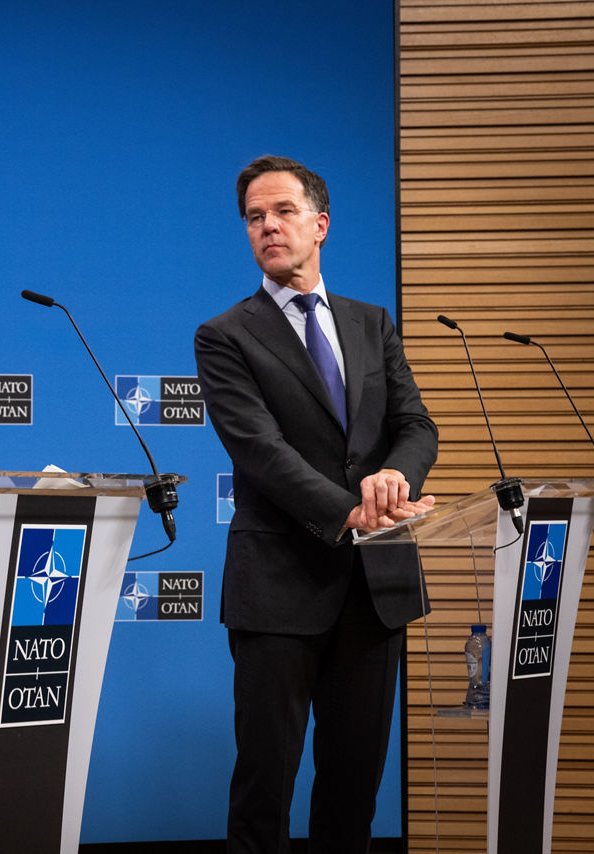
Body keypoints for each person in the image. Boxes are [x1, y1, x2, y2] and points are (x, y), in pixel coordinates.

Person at [194, 155, 439, 853]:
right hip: (279, 588)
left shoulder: (371, 322)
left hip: (376, 589)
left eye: (283, 212)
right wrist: (348, 511)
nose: (268, 226)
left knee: (352, 790)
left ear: (320, 224)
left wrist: (393, 478)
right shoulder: (226, 335)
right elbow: (259, 450)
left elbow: (417, 426)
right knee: (264, 791)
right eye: (254, 217)